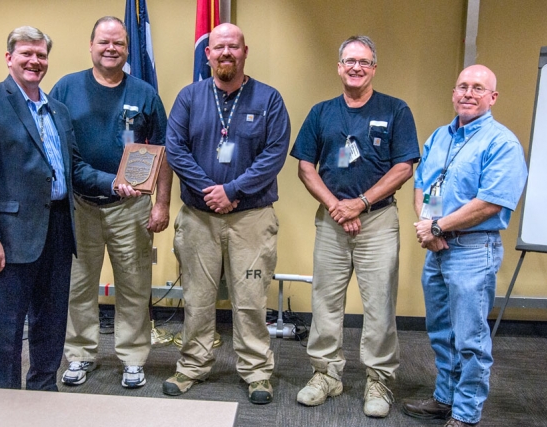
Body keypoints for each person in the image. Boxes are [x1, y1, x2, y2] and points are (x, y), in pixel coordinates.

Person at [0, 26, 115, 390]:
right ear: (9, 57)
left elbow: (74, 169)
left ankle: (43, 389)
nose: (35, 61)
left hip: (59, 228)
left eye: (41, 55)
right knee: (6, 327)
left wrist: (115, 183)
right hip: (9, 238)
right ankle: (5, 399)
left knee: (52, 320)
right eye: (26, 53)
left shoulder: (57, 110)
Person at [290, 35, 420, 417]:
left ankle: (378, 381)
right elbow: (304, 166)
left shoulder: (396, 110)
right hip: (332, 221)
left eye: (364, 62)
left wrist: (360, 204)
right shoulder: (321, 112)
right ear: (339, 66)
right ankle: (326, 374)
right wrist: (336, 206)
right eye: (349, 61)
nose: (356, 67)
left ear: (374, 68)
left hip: (377, 220)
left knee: (379, 304)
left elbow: (404, 167)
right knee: (325, 302)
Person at [163, 23, 290, 405]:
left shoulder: (268, 99)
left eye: (233, 47)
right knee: (197, 298)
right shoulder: (189, 97)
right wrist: (211, 191)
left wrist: (232, 191)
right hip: (199, 218)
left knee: (250, 299)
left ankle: (256, 372)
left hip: (251, 218)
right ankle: (192, 366)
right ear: (208, 53)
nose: (225, 54)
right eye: (219, 47)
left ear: (245, 51)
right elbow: (176, 148)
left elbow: (274, 154)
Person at [402, 65, 527, 427]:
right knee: (441, 331)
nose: (468, 93)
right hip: (437, 248)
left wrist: (438, 226)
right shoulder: (440, 136)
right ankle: (445, 397)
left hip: (473, 250)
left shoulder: (502, 142)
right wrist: (429, 227)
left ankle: (467, 413)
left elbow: (491, 203)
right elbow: (421, 185)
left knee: (470, 338)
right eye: (462, 87)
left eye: (477, 87)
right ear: (453, 92)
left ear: (493, 97)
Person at [50, 16, 171, 388]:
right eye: (104, 42)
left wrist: (162, 204)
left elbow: (163, 153)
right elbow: (56, 150)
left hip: (131, 208)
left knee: (134, 284)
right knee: (78, 285)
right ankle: (80, 354)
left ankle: (133, 358)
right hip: (80, 206)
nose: (111, 48)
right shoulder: (66, 89)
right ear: (90, 46)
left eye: (118, 43)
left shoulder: (145, 93)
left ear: (126, 49)